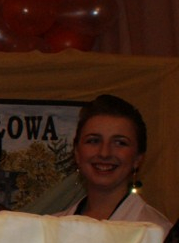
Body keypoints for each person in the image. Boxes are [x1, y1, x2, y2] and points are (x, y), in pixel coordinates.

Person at [55, 94, 171, 231]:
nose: (104, 153)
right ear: (77, 153)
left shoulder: (159, 232)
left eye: (120, 143)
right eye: (93, 141)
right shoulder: (51, 228)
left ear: (138, 158)